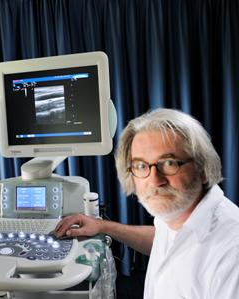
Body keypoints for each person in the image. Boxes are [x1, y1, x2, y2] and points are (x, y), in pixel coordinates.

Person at [55, 108, 239, 298]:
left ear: (202, 167)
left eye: (169, 163)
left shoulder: (232, 255)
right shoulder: (178, 216)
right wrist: (102, 226)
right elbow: (163, 239)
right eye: (141, 165)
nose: (154, 180)